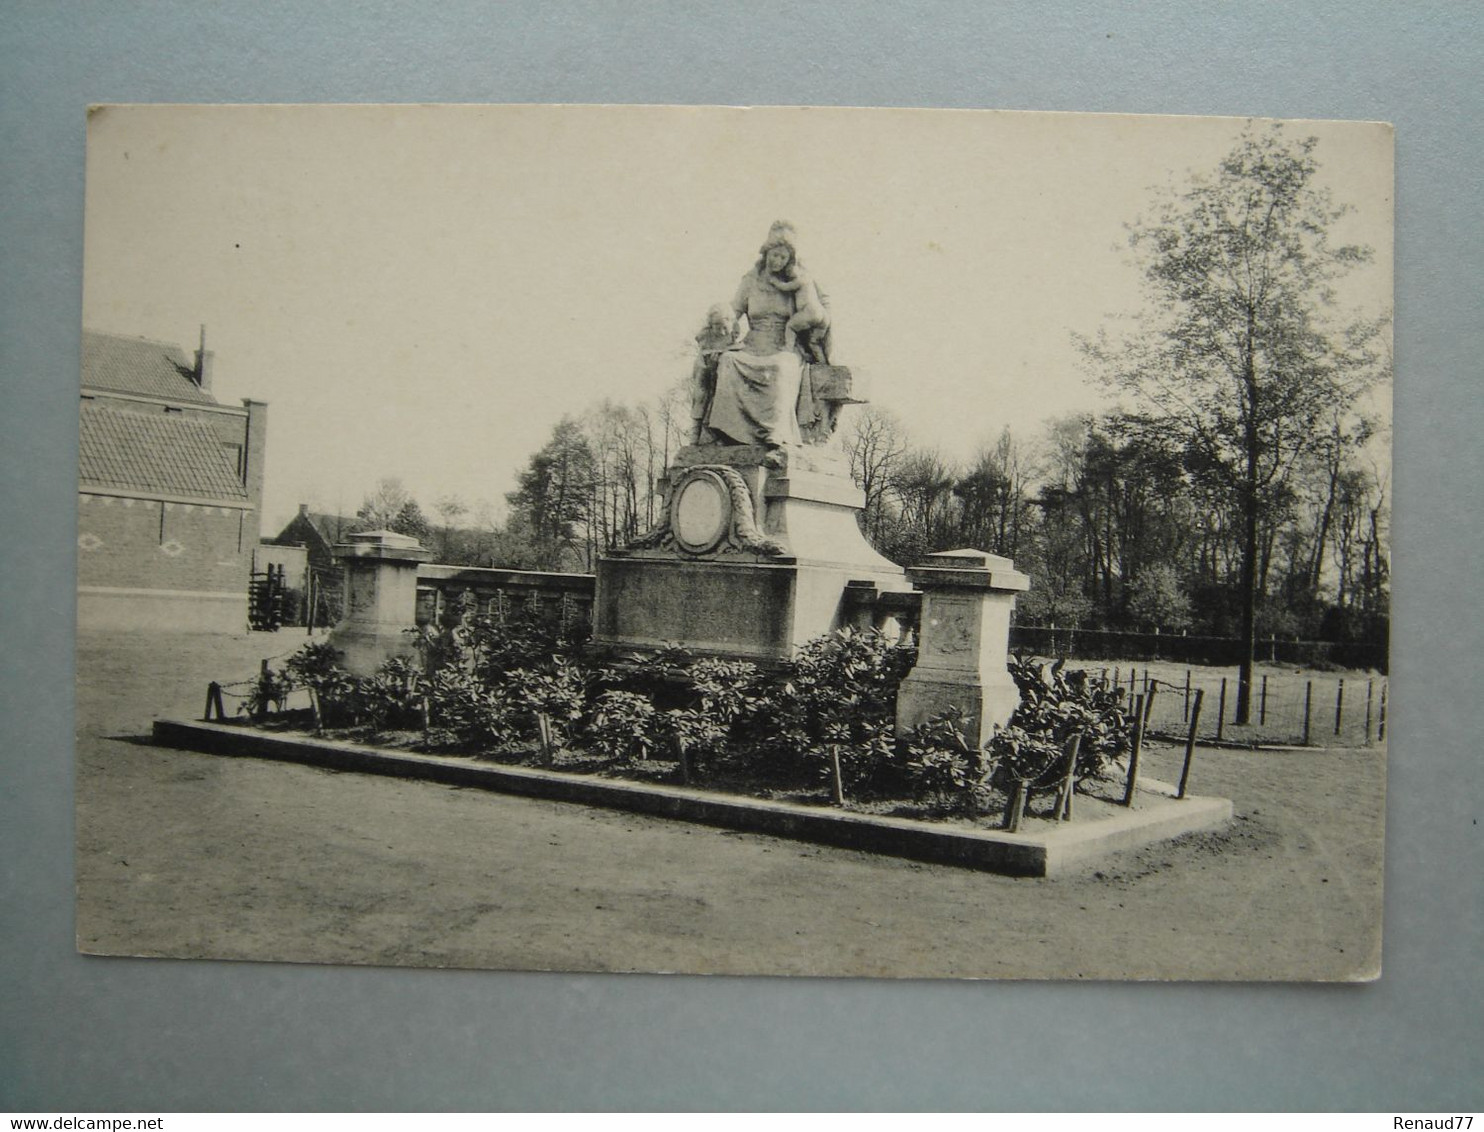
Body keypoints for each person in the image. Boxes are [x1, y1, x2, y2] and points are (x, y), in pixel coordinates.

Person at [705, 221, 831, 466]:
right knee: (729, 361)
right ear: (766, 254)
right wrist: (716, 326)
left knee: (780, 368)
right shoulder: (751, 280)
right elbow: (734, 309)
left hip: (784, 345)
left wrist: (800, 328)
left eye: (783, 257)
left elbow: (818, 311)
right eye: (774, 255)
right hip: (752, 344)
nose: (777, 261)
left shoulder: (798, 282)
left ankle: (775, 437)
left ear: (790, 259)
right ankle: (725, 433)